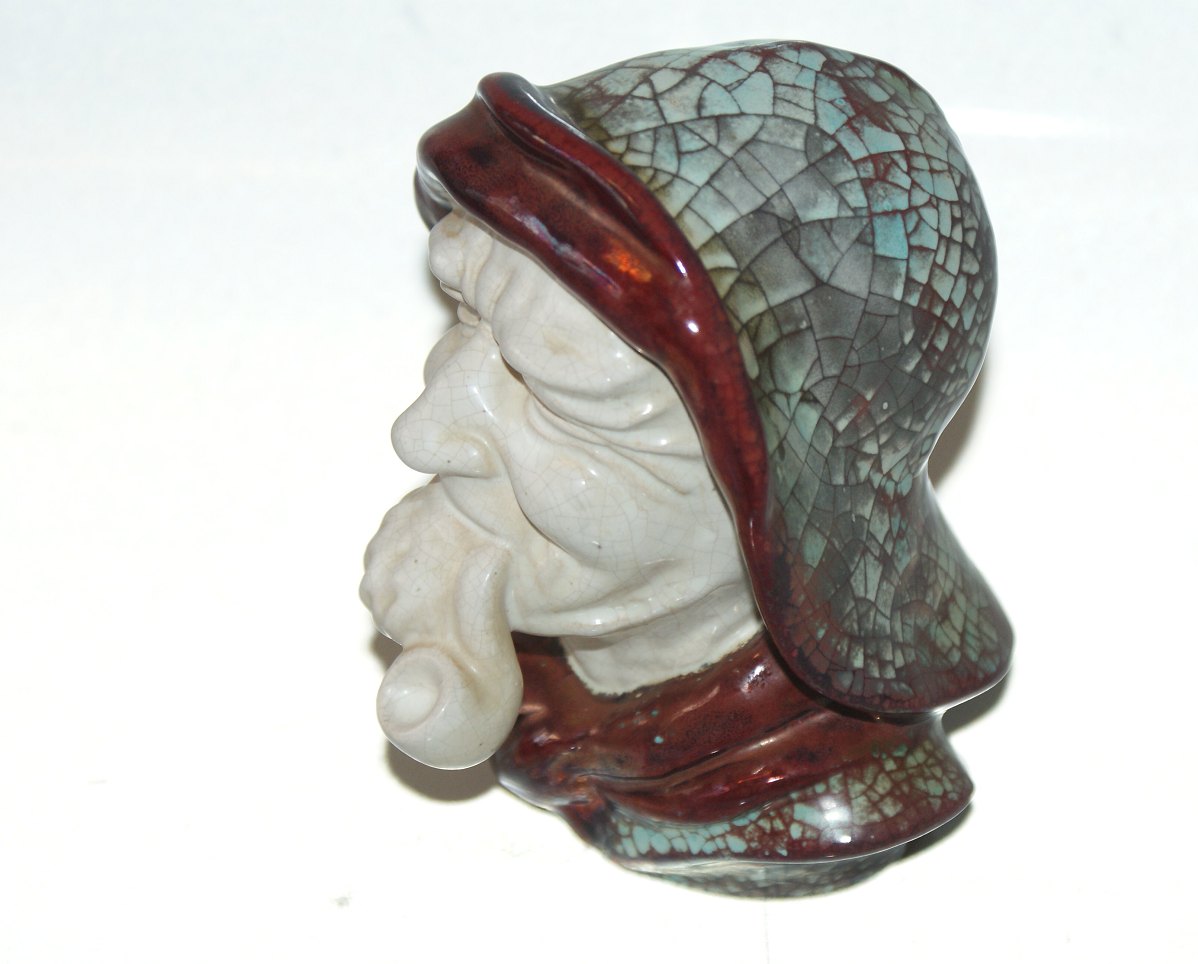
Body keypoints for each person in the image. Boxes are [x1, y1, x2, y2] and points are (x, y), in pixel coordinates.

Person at [363, 40, 1012, 895]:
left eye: (560, 397)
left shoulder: (791, 776)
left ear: (787, 499)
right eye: (463, 317)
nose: (422, 436)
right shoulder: (543, 679)